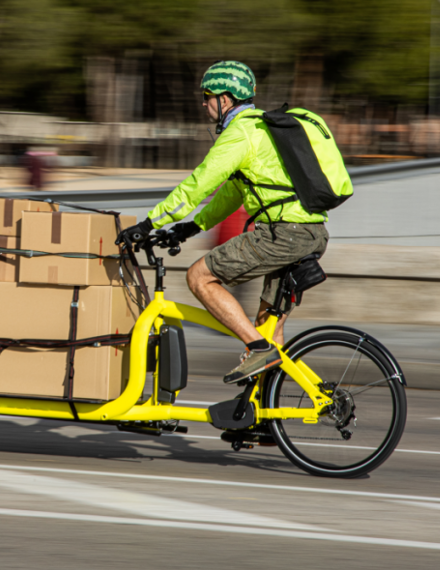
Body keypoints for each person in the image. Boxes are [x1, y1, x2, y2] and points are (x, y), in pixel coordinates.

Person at [120, 60, 349, 385]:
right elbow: (233, 192)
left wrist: (148, 224)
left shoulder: (240, 132)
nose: (204, 103)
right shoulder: (261, 129)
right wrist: (193, 226)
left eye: (207, 95)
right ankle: (267, 419)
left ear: (224, 99)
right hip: (310, 233)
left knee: (199, 277)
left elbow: (199, 182)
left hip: (283, 234)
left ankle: (257, 348)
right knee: (270, 324)